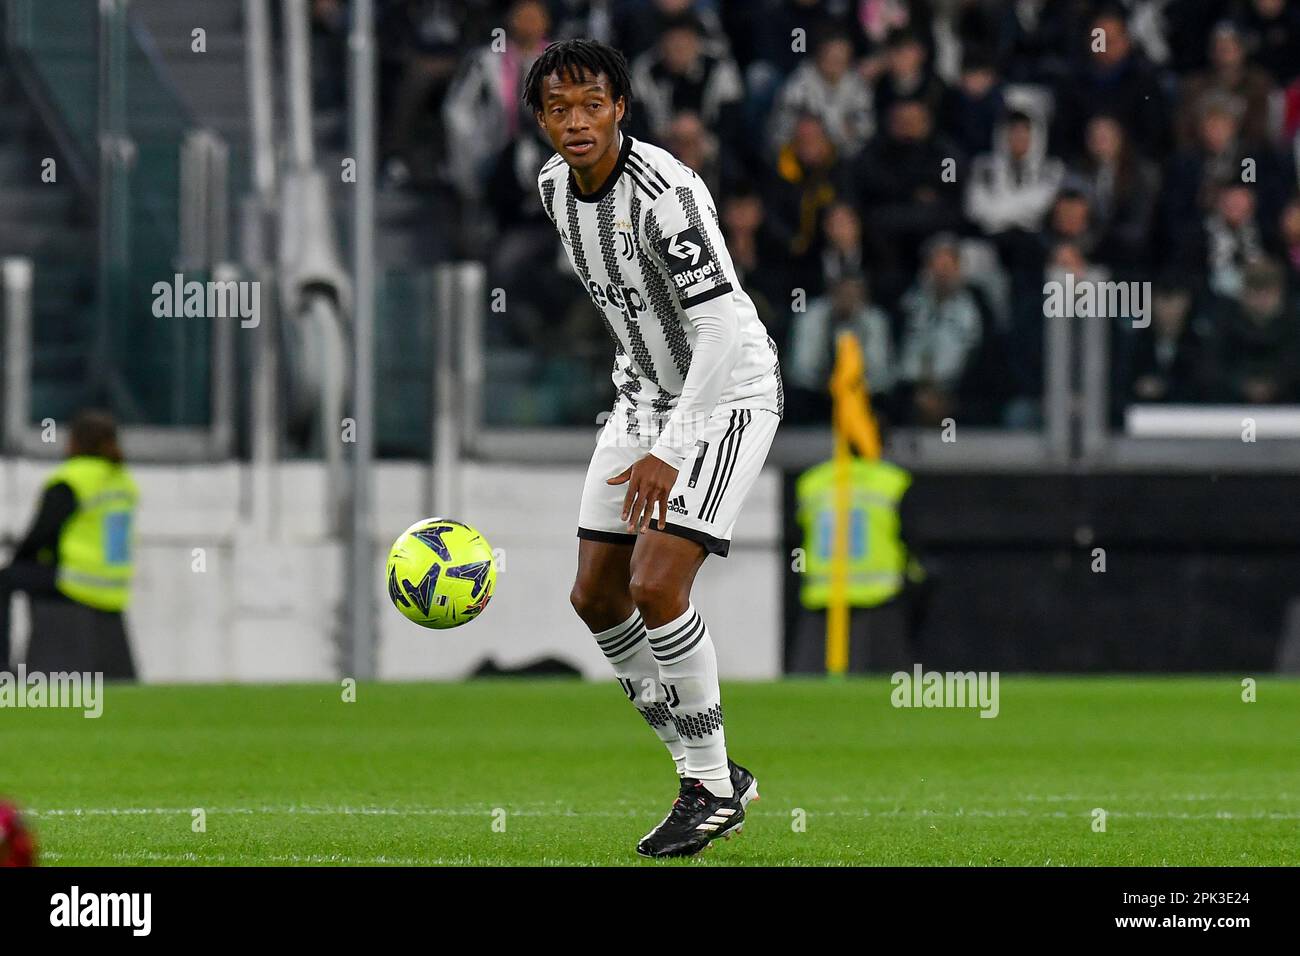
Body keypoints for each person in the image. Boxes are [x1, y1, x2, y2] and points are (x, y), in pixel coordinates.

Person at [525, 39, 783, 858]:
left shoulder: (666, 193)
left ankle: (707, 789)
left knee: (656, 581)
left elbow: (711, 325)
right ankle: (707, 770)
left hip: (729, 394)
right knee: (596, 597)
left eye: (591, 105)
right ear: (539, 119)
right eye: (559, 108)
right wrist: (646, 419)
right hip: (642, 398)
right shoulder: (551, 191)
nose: (576, 122)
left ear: (620, 109)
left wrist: (671, 449)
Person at [0, 410, 138, 677]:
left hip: (77, 581)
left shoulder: (72, 479)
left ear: (75, 441)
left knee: (5, 580)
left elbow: (41, 534)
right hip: (114, 586)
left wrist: (20, 558)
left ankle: (2, 666)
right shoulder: (121, 481)